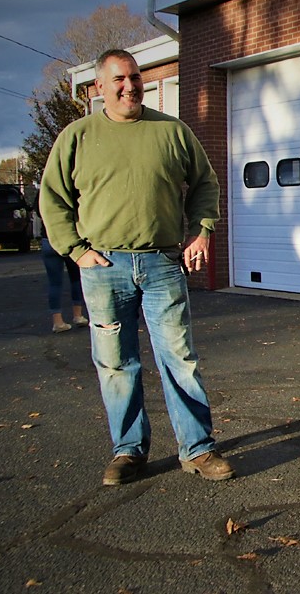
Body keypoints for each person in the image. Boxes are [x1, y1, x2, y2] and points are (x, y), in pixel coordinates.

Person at [40, 49, 234, 486]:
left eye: (134, 77)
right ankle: (128, 451)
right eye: (119, 80)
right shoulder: (78, 136)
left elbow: (205, 182)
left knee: (179, 359)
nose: (129, 86)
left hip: (162, 261)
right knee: (115, 362)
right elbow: (52, 198)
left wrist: (201, 230)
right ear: (99, 88)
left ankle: (198, 449)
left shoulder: (171, 131)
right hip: (103, 266)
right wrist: (75, 250)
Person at [35, 188, 87, 333]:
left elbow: (38, 212)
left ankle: (57, 321)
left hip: (49, 239)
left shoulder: (43, 192)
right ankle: (78, 315)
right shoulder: (72, 189)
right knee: (76, 278)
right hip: (71, 238)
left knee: (54, 283)